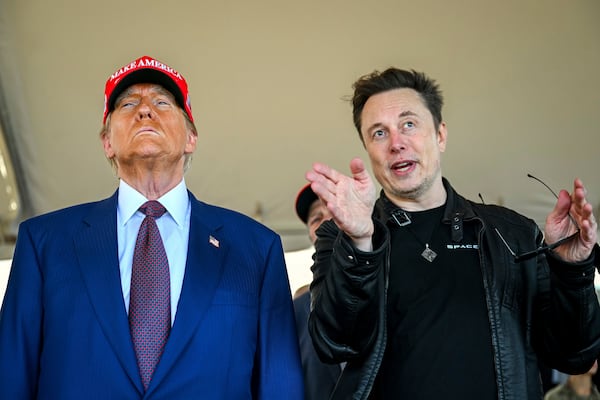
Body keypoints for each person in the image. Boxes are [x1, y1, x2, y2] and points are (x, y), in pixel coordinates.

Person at [0, 55, 303, 399]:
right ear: (107, 143)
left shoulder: (255, 249)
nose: (145, 110)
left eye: (161, 102)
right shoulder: (43, 243)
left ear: (191, 138)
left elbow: (280, 387)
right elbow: (10, 378)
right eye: (128, 103)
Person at [305, 67, 600, 399]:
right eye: (379, 133)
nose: (396, 143)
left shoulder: (513, 233)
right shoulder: (342, 237)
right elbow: (334, 344)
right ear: (367, 149)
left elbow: (574, 355)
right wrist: (360, 243)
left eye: (409, 124)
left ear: (440, 135)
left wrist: (572, 269)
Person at [293, 183, 342, 400]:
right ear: (311, 235)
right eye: (316, 218)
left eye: (336, 212)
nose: (327, 222)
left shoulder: (392, 289)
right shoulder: (295, 310)